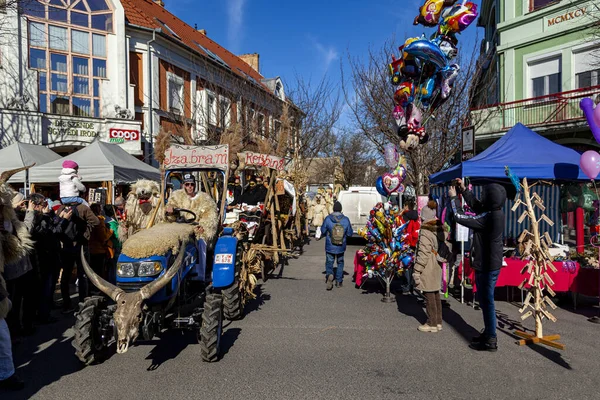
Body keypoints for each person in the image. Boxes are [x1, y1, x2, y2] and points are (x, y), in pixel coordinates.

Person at [449, 179, 506, 352]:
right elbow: (476, 206)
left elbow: (460, 217)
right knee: (485, 300)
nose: (481, 198)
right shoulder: (495, 213)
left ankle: (491, 339)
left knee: (487, 301)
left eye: (484, 195)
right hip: (490, 263)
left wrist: (453, 199)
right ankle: (489, 332)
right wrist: (464, 190)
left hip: (487, 265)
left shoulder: (489, 218)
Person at [413, 201, 452, 333]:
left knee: (429, 293)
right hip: (437, 263)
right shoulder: (440, 227)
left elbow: (423, 252)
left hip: (428, 264)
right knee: (435, 293)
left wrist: (417, 270)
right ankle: (438, 321)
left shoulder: (425, 231)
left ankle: (431, 323)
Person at [56, 199, 100, 313]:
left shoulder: (61, 208)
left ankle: (67, 303)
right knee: (83, 274)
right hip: (81, 245)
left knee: (66, 274)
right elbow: (96, 222)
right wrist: (87, 228)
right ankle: (82, 302)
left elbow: (57, 225)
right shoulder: (83, 208)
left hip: (66, 245)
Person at [27, 194, 62, 324]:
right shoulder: (34, 219)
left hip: (47, 258)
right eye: (43, 204)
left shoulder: (41, 217)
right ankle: (42, 315)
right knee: (43, 290)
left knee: (46, 288)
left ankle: (43, 312)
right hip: (42, 259)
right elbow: (47, 234)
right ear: (36, 206)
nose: (46, 207)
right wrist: (52, 218)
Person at [165, 173, 219, 243]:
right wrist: (170, 210)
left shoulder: (204, 199)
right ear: (183, 185)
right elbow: (171, 206)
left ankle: (202, 254)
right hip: (179, 227)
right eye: (187, 184)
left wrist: (203, 226)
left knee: (201, 240)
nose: (190, 187)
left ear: (195, 185)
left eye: (192, 184)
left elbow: (210, 216)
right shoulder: (177, 197)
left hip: (196, 228)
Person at [319, 201, 353, 290]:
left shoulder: (328, 219)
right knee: (340, 262)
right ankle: (338, 281)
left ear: (333, 209)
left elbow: (322, 231)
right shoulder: (345, 219)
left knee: (329, 262)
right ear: (341, 209)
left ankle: (330, 275)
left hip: (330, 245)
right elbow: (350, 233)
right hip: (341, 246)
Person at [88, 203, 114, 283]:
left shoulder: (89, 220)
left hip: (90, 249)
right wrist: (110, 232)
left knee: (92, 270)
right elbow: (103, 237)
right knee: (99, 271)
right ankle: (98, 290)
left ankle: (92, 288)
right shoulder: (99, 220)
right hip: (99, 249)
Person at [399, 200, 420, 295]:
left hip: (406, 242)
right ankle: (411, 285)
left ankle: (406, 286)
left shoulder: (405, 216)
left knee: (405, 264)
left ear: (407, 206)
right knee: (411, 264)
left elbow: (400, 228)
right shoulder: (416, 216)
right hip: (414, 243)